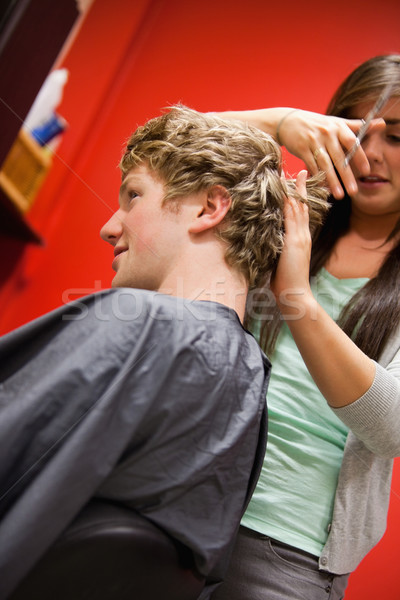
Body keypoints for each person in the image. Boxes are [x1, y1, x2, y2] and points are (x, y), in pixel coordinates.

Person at [0, 105, 328, 599]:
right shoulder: (247, 383)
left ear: (208, 208)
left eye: (134, 195)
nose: (110, 227)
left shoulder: (143, 326)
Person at [211, 54, 400, 600]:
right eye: (356, 129)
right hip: (186, 496)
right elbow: (162, 152)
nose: (368, 155)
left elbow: (391, 427)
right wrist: (277, 123)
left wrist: (297, 299)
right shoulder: (282, 213)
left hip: (287, 548)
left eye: (398, 137)